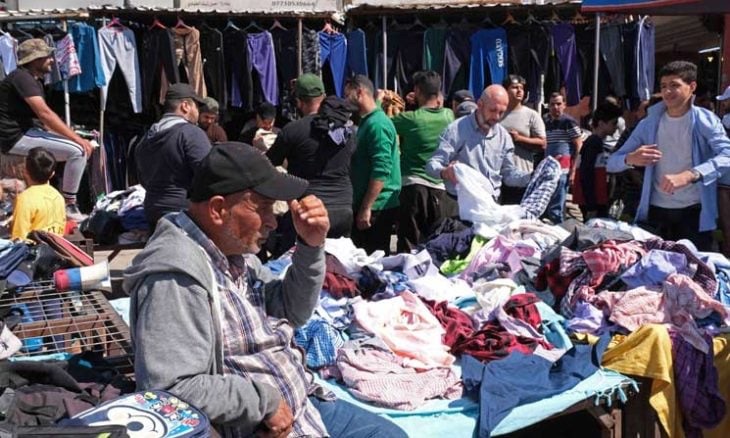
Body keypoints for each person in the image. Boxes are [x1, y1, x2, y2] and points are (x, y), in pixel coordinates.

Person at [125, 142, 406, 438]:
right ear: (218, 209)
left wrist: (310, 246)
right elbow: (170, 388)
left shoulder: (236, 256)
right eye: (262, 207)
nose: (273, 221)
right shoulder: (175, 278)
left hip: (304, 400)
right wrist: (263, 403)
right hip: (264, 423)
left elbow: (292, 312)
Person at [607, 61, 730, 250]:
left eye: (674, 85)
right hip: (654, 214)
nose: (667, 91)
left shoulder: (706, 121)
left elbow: (727, 154)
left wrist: (691, 174)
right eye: (664, 86)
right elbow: (612, 163)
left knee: (693, 266)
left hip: (693, 214)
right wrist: (630, 159)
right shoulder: (648, 123)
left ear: (692, 87)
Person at [0, 39, 94, 221]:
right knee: (78, 151)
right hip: (14, 137)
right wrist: (77, 139)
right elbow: (45, 114)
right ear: (35, 59)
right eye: (47, 56)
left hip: (22, 133)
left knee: (75, 148)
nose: (52, 60)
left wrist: (67, 135)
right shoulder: (22, 78)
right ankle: (69, 205)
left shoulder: (29, 79)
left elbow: (42, 120)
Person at [267, 73, 357, 256]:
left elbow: (268, 164)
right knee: (338, 266)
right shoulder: (348, 130)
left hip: (308, 212)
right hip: (344, 208)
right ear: (323, 96)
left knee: (297, 266)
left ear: (299, 102)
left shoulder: (293, 130)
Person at [426, 84, 531, 201]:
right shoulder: (456, 129)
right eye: (493, 110)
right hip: (460, 202)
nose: (496, 117)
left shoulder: (504, 137)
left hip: (491, 203)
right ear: (480, 104)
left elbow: (508, 174)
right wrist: (445, 172)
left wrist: (530, 177)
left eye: (501, 112)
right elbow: (432, 165)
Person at [391, 70, 457, 252]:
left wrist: (381, 100)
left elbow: (384, 122)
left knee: (409, 246)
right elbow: (437, 103)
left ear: (418, 91)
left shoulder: (410, 119)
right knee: (435, 245)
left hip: (413, 187)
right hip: (440, 189)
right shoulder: (449, 116)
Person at [135, 83, 212, 229]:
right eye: (196, 106)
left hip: (152, 211)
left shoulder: (146, 138)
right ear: (185, 106)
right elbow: (208, 174)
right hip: (183, 214)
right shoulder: (190, 133)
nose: (198, 111)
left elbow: (142, 177)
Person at [345, 75, 400, 255]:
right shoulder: (369, 120)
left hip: (376, 208)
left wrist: (366, 208)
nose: (346, 101)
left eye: (348, 95)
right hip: (368, 204)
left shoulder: (377, 125)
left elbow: (381, 169)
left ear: (359, 93)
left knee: (372, 261)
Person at [499, 75, 547, 204]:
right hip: (497, 176)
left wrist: (519, 139)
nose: (519, 91)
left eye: (521, 88)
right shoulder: (497, 113)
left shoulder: (531, 115)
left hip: (521, 176)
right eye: (515, 87)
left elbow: (542, 143)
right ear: (505, 90)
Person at [572, 103, 623, 220]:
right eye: (613, 123)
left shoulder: (596, 142)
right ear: (601, 123)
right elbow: (586, 173)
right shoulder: (594, 142)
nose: (616, 127)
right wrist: (591, 205)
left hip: (595, 200)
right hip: (593, 201)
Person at [542, 92, 584, 224]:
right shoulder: (545, 121)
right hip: (548, 167)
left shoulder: (568, 122)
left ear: (564, 105)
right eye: (552, 104)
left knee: (558, 201)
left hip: (563, 167)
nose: (555, 107)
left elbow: (578, 145)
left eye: (559, 104)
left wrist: (573, 170)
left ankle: (559, 227)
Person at [11, 147, 66, 240]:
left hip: (34, 248)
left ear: (25, 171)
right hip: (56, 246)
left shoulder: (25, 199)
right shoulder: (58, 196)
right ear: (52, 174)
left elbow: (18, 238)